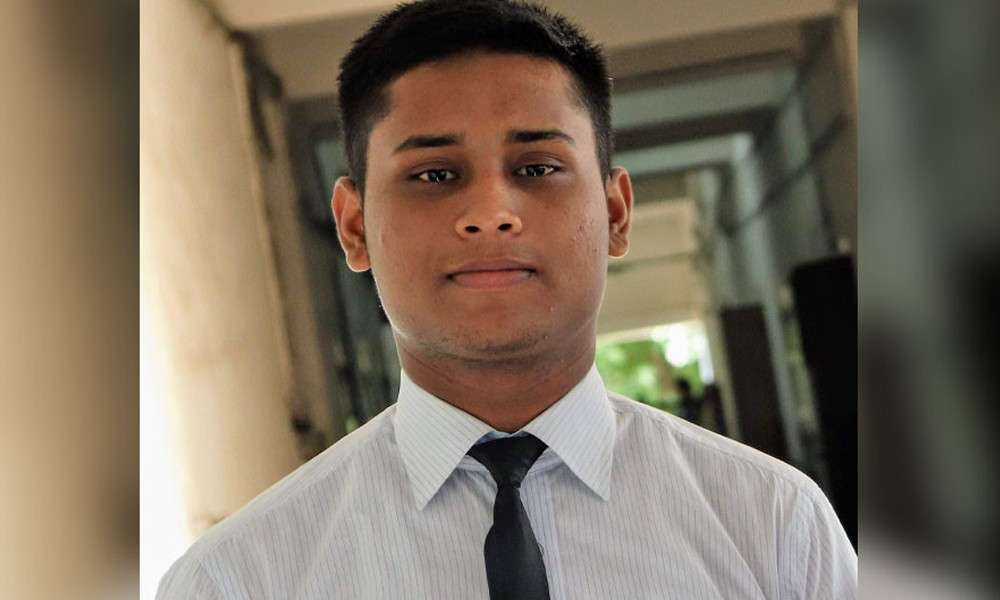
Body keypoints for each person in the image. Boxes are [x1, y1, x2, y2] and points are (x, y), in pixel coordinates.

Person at [157, 1, 858, 598]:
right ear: (354, 226)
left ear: (616, 213)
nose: (491, 213)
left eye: (538, 167)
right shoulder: (239, 581)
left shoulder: (774, 527)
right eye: (434, 174)